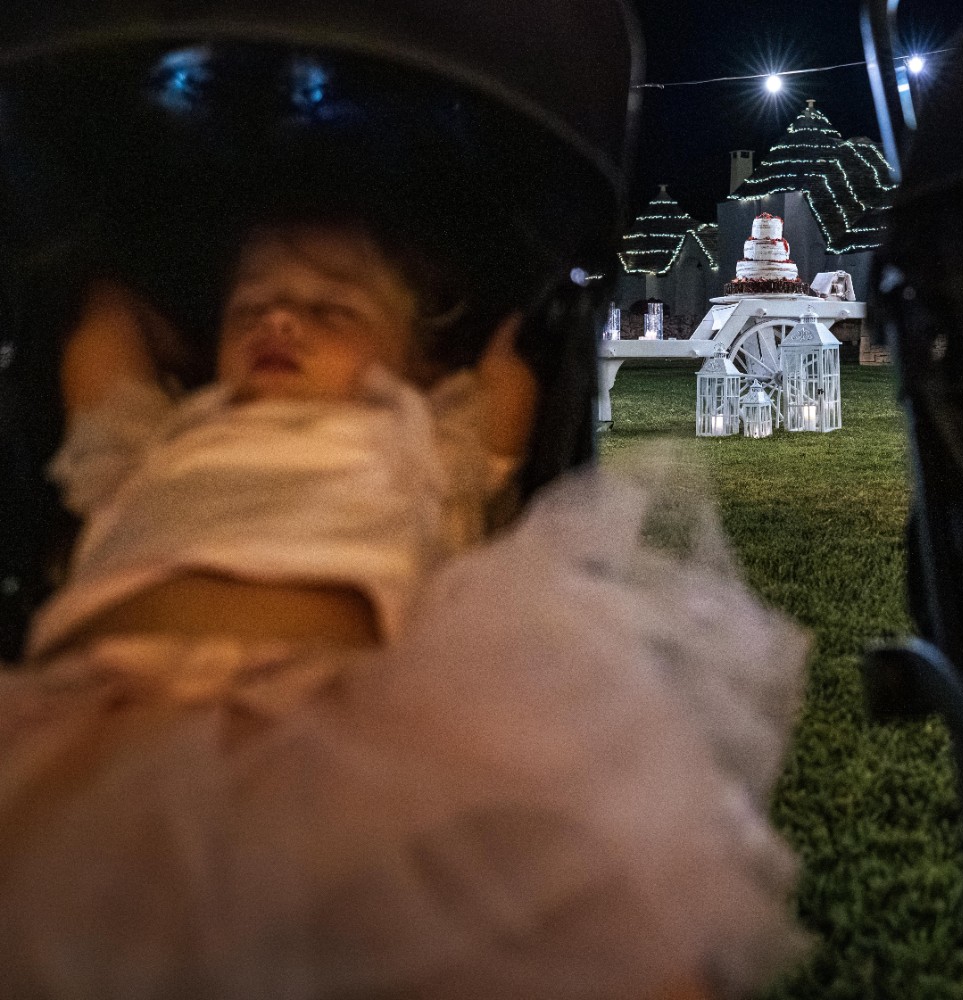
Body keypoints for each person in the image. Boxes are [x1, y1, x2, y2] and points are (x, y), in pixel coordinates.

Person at [0, 215, 809, 1000]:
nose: (279, 321)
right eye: (250, 306)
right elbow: (102, 348)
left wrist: (529, 319)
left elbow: (506, 386)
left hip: (324, 713)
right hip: (90, 708)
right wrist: (111, 284)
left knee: (541, 905)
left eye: (331, 310)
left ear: (415, 363)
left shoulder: (420, 439)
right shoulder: (162, 440)